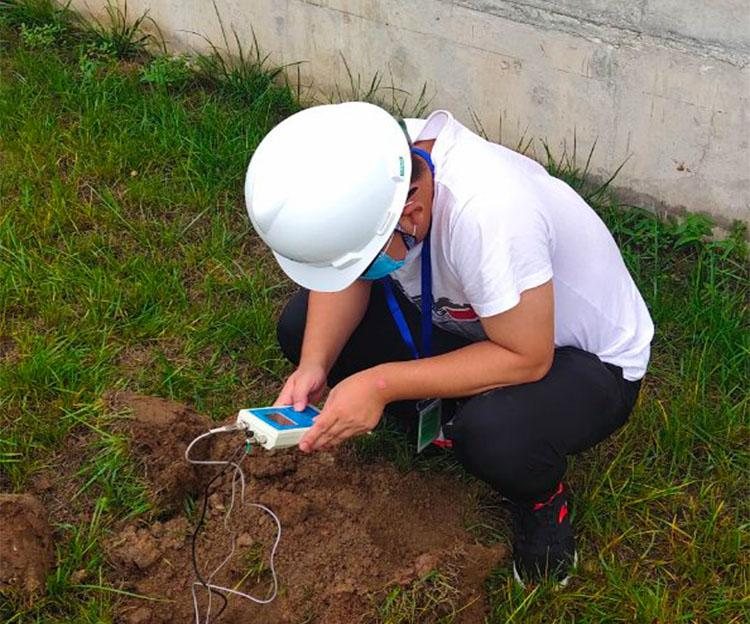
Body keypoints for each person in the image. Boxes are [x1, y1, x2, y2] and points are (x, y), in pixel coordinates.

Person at [244, 102, 654, 586]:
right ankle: (446, 417)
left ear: (411, 212)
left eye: (363, 256)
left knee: (493, 434)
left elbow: (528, 356)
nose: (353, 272)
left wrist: (379, 384)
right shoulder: (383, 172)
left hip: (577, 359)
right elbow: (347, 275)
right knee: (301, 327)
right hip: (473, 326)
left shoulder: (491, 213)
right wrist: (315, 364)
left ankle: (540, 498)